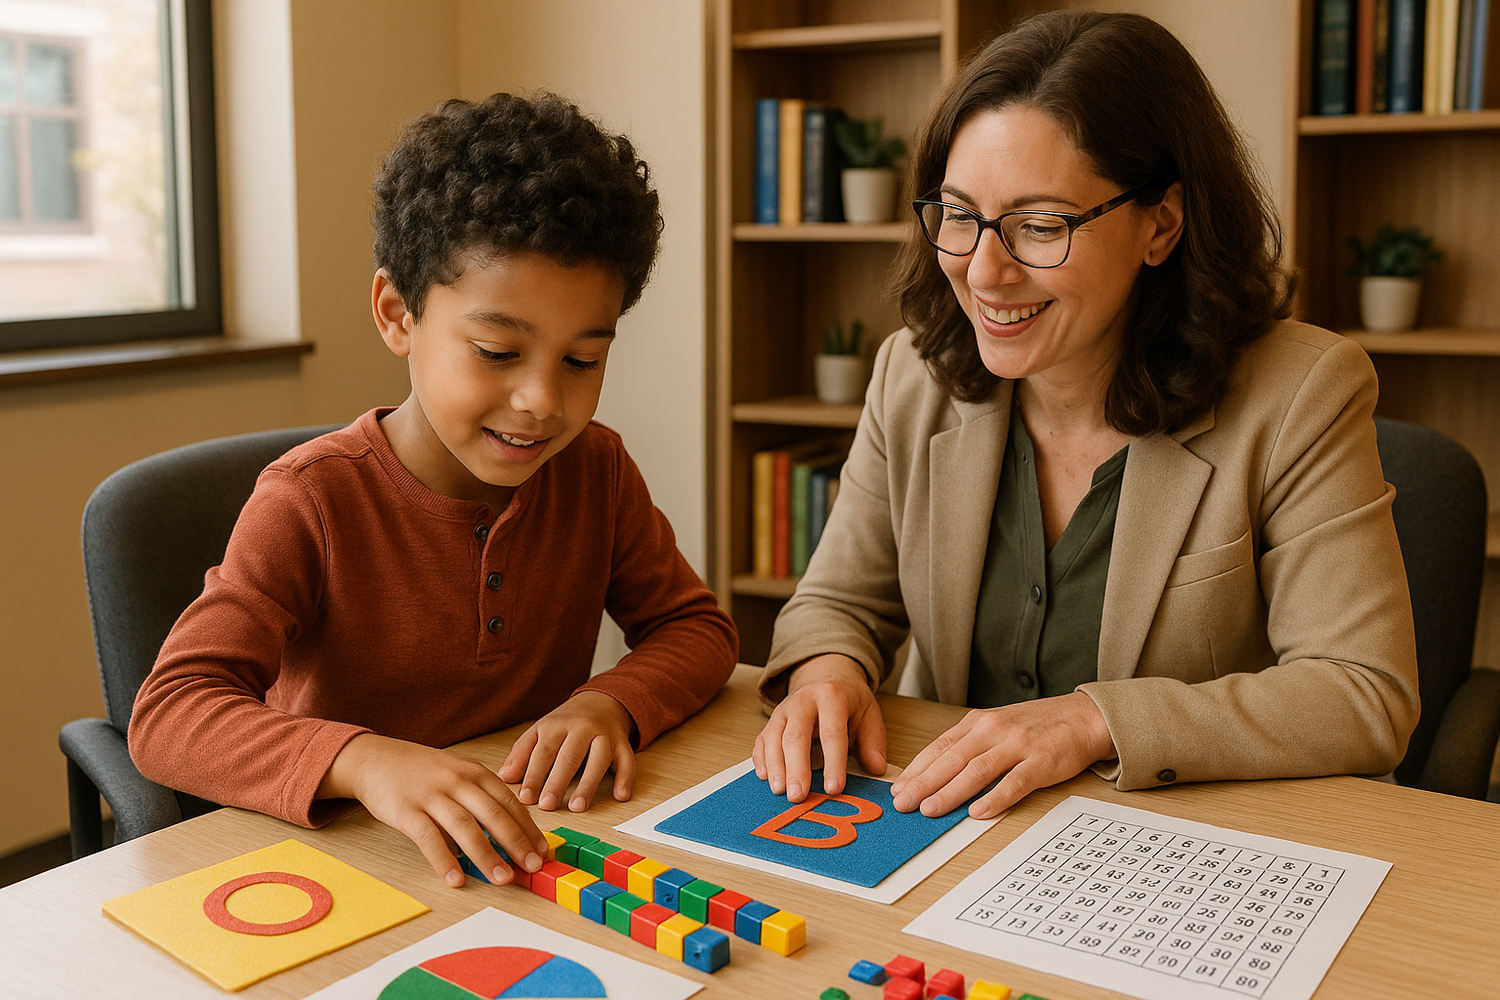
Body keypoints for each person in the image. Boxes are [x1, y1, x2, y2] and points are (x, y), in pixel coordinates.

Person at [753, 10, 1418, 821]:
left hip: (1186, 841)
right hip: (957, 824)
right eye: (959, 215)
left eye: (1039, 226)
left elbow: (1363, 692)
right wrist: (828, 672)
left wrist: (1094, 721)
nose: (984, 272)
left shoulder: (1301, 391)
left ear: (1161, 224)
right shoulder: (912, 373)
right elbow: (839, 603)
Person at [131, 92, 738, 887]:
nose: (542, 401)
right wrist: (365, 761)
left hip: (519, 846)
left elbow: (696, 628)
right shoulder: (309, 501)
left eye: (582, 361)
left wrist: (610, 702)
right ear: (397, 315)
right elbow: (170, 713)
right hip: (347, 862)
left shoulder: (597, 470)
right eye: (497, 351)